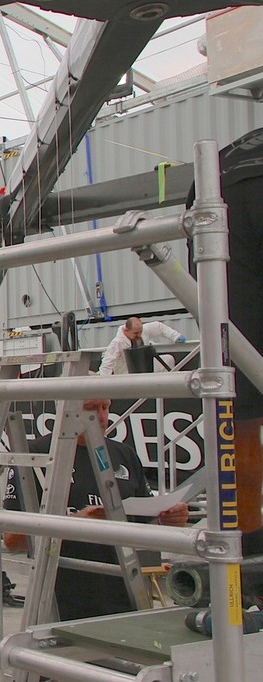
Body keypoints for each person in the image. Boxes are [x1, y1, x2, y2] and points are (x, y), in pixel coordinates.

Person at [3, 398, 189, 620]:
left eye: (105, 407)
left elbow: (143, 529)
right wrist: (78, 522)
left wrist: (166, 520)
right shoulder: (36, 455)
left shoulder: (124, 455)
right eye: (90, 408)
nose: (101, 417)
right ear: (66, 409)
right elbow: (13, 540)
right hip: (59, 603)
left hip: (124, 598)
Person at [188, 127, 263, 558]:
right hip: (219, 189)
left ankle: (246, 565)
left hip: (214, 191)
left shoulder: (235, 150)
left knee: (242, 406)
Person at [97, 317, 186, 376]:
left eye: (140, 332)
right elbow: (107, 364)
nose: (139, 335)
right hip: (126, 374)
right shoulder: (117, 343)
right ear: (126, 330)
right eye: (136, 333)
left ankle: (165, 387)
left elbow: (159, 327)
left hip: (146, 366)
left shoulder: (142, 331)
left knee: (168, 359)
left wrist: (175, 336)